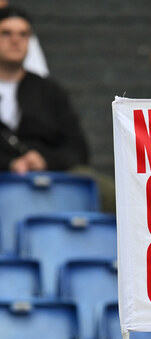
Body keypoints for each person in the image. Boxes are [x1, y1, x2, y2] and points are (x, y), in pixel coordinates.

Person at [0, 6, 114, 210]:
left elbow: (78, 149)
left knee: (115, 197)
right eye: (6, 33)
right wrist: (9, 164)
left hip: (53, 176)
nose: (15, 40)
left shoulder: (49, 91)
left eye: (23, 34)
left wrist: (43, 159)